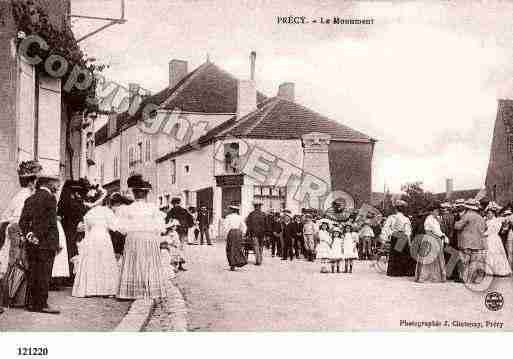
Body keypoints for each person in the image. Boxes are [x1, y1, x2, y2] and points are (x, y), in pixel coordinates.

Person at [117, 174, 168, 299]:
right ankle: (149, 288)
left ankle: (133, 290)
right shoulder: (153, 208)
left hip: (133, 237)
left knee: (134, 262)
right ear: (146, 194)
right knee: (149, 262)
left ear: (134, 194)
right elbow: (160, 227)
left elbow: (122, 228)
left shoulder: (127, 209)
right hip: (149, 238)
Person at [19, 170, 61, 314]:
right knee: (44, 274)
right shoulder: (50, 198)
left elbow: (23, 221)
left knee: (33, 272)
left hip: (33, 243)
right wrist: (41, 237)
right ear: (48, 183)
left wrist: (31, 236)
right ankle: (41, 304)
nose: (58, 185)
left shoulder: (30, 199)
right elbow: (49, 222)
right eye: (56, 182)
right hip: (46, 243)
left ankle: (31, 303)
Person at [1, 160, 42, 309]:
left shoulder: (24, 194)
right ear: (32, 181)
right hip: (17, 232)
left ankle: (16, 298)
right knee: (17, 264)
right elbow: (18, 219)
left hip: (16, 230)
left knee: (20, 264)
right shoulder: (25, 196)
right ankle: (10, 297)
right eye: (37, 179)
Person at [72, 187, 120, 298]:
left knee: (92, 261)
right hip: (103, 236)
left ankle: (90, 288)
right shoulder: (106, 211)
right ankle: (106, 288)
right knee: (104, 260)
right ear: (102, 200)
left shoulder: (88, 214)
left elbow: (86, 231)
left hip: (92, 237)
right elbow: (114, 227)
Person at [57, 179, 89, 285]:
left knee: (71, 250)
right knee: (73, 250)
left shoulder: (64, 200)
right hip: (73, 229)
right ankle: (71, 276)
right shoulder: (74, 202)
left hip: (68, 228)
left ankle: (69, 276)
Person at [454, 198, 487, 284]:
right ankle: (472, 279)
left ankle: (465, 279)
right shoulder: (480, 217)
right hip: (478, 243)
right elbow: (485, 228)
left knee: (464, 261)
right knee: (474, 262)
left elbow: (458, 226)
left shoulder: (467, 215)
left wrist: (455, 223)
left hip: (466, 242)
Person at [414, 202, 447, 283]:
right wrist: (443, 235)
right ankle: (427, 276)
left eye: (438, 211)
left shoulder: (434, 219)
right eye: (436, 211)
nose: (438, 212)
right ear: (433, 211)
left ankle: (431, 276)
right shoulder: (430, 219)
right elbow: (436, 230)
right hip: (432, 238)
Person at [381, 200, 415, 277]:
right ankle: (403, 271)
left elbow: (385, 228)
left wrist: (386, 237)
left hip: (395, 235)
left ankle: (394, 271)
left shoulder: (391, 217)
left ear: (396, 209)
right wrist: (409, 241)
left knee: (395, 254)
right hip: (403, 236)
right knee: (402, 254)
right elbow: (408, 231)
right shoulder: (406, 219)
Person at [483, 202, 511, 277]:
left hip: (494, 238)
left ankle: (499, 270)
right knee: (488, 254)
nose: (488, 215)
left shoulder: (497, 221)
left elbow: (492, 230)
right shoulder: (487, 221)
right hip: (488, 238)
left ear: (493, 213)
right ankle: (489, 270)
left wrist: (484, 234)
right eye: (487, 213)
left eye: (490, 213)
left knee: (495, 253)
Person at [223, 205, 248, 271]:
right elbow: (244, 227)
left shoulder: (228, 217)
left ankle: (232, 264)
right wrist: (242, 233)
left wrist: (226, 235)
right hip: (238, 233)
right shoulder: (240, 217)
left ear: (231, 210)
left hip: (231, 232)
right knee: (237, 248)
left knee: (230, 248)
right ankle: (240, 261)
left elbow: (225, 227)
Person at [246, 201, 267, 265]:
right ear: (260, 206)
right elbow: (266, 225)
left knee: (256, 246)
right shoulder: (263, 214)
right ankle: (259, 259)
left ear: (254, 207)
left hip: (254, 233)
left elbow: (248, 224)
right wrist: (266, 234)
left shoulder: (251, 214)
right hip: (262, 233)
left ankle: (258, 260)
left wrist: (247, 233)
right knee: (260, 246)